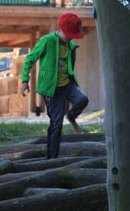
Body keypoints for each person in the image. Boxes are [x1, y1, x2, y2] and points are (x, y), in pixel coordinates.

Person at [21, 13, 90, 158]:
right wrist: (24, 80)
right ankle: (52, 158)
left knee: (82, 99)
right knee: (56, 125)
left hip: (67, 85)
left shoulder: (71, 46)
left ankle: (71, 117)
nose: (71, 37)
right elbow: (29, 59)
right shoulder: (47, 41)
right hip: (52, 90)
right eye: (70, 34)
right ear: (61, 30)